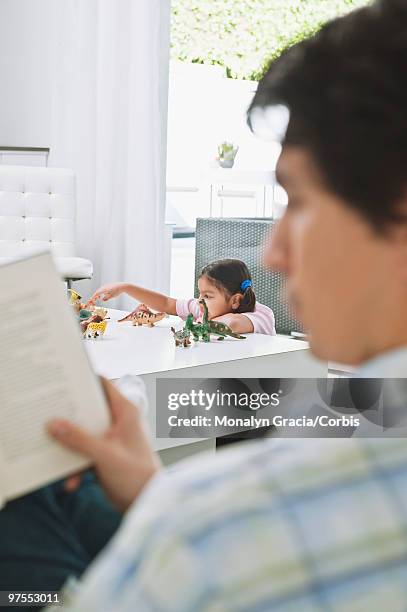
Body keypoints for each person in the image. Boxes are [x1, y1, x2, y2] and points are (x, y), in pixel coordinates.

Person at [4, 0, 407, 609]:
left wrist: (181, 515)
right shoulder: (213, 519)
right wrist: (153, 493)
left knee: (31, 506)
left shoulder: (214, 534)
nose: (274, 252)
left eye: (296, 201)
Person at [88, 258, 276, 335]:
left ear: (235, 300)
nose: (200, 301)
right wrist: (125, 287)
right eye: (199, 294)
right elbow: (167, 303)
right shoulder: (204, 307)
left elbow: (232, 324)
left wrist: (196, 324)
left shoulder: (260, 315)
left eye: (208, 296)